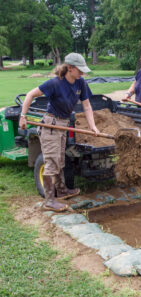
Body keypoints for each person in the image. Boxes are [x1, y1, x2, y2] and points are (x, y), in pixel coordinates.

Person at [19, 53, 100, 212]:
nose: (82, 73)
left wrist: (93, 127)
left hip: (64, 124)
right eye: (79, 70)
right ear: (69, 68)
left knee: (60, 159)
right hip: (51, 125)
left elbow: (87, 106)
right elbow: (30, 94)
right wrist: (23, 116)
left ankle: (62, 190)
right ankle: (49, 200)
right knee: (52, 162)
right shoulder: (55, 83)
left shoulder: (80, 83)